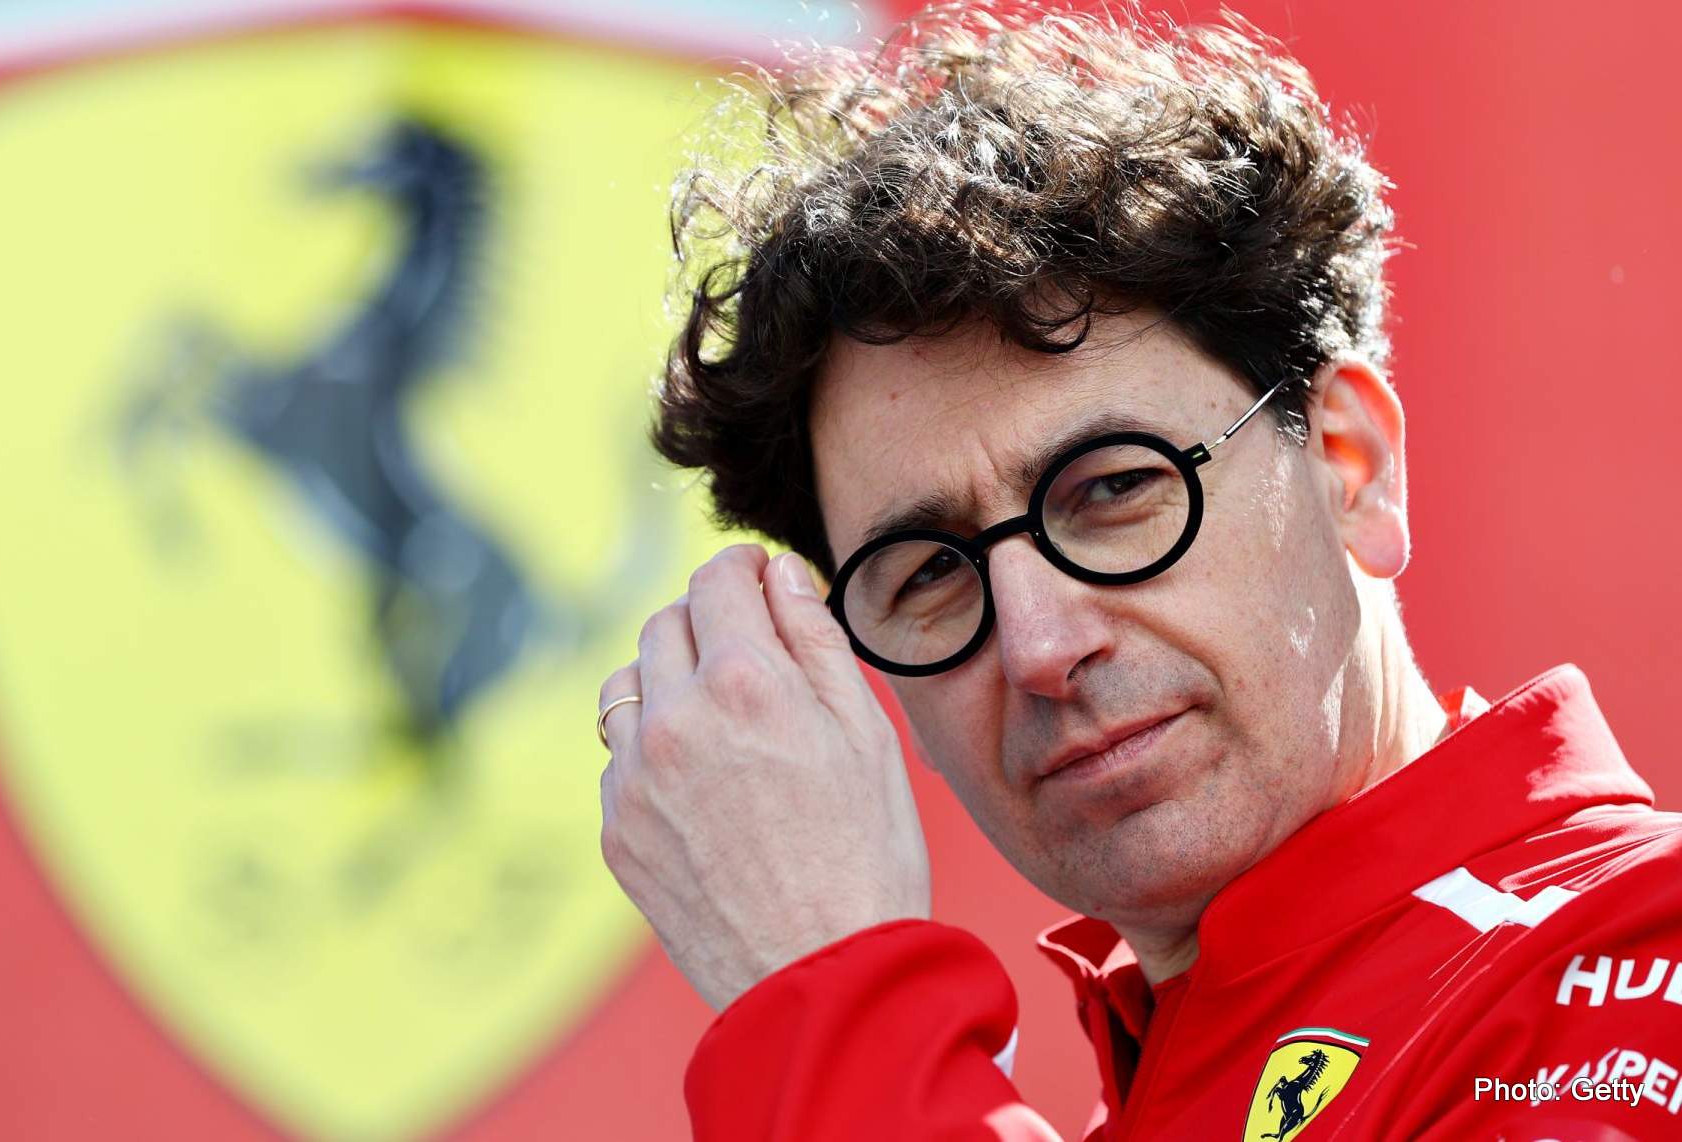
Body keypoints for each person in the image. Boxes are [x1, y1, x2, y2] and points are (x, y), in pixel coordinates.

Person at [594, 5, 1682, 1138]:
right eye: (928, 574)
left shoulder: (1641, 955)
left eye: (1114, 489)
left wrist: (830, 999)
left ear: (1351, 464)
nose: (1041, 644)